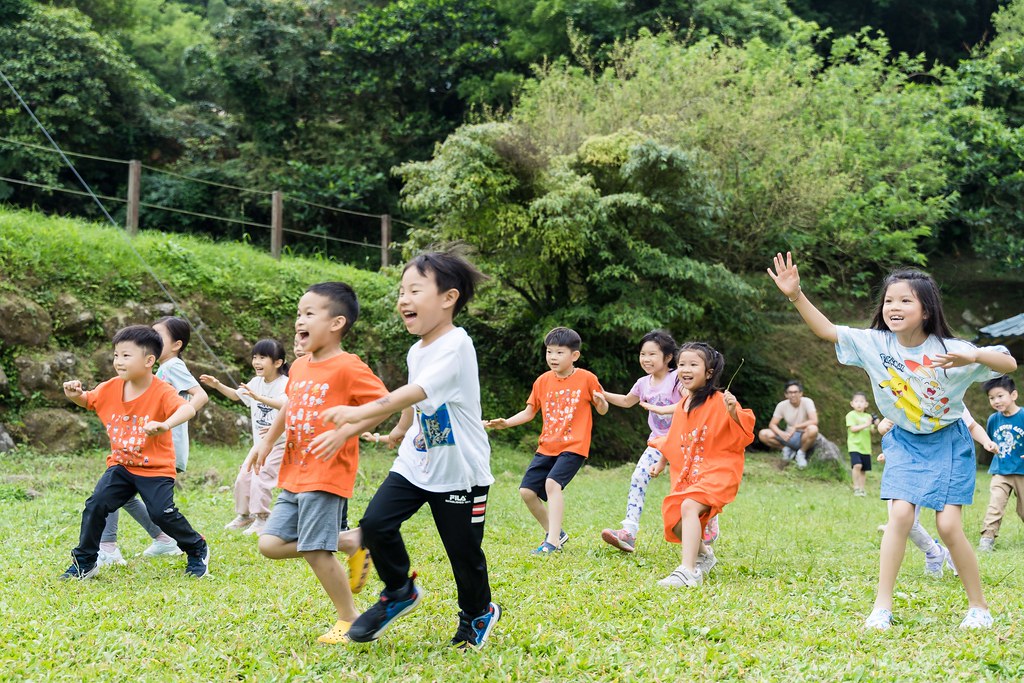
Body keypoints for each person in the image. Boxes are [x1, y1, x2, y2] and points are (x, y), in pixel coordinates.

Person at [768, 252, 1016, 630]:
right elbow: (828, 330)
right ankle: (881, 608)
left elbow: (1008, 363)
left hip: (949, 441)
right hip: (903, 440)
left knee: (949, 527)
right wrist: (795, 295)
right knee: (899, 516)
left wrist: (974, 354)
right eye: (889, 300)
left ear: (926, 310)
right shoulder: (876, 343)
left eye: (905, 301)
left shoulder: (950, 349)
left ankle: (979, 607)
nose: (894, 307)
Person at [314, 250, 501, 650]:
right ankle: (399, 590)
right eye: (402, 291)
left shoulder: (457, 345)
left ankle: (478, 612)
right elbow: (418, 402)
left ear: (448, 298)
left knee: (463, 553)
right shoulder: (417, 351)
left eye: (415, 290)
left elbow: (415, 391)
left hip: (460, 471)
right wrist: (397, 431)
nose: (403, 299)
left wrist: (359, 411)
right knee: (376, 524)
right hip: (418, 461)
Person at [247, 282, 388, 645]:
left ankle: (349, 618)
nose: (299, 320)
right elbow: (291, 405)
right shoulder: (299, 366)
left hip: (327, 470)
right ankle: (350, 540)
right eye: (299, 313)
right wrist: (267, 441)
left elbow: (385, 403)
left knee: (314, 550)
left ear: (337, 323)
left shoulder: (348, 366)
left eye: (309, 313)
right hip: (295, 470)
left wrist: (348, 432)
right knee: (269, 544)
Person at [59, 325, 210, 580]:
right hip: (122, 465)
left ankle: (196, 547)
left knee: (161, 513)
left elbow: (187, 408)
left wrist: (166, 424)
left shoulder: (162, 390)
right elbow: (88, 400)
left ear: (149, 360)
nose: (119, 361)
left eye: (126, 356)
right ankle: (85, 562)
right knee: (96, 505)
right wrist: (74, 395)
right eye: (116, 355)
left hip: (155, 467)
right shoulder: (110, 387)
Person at [96, 316, 209, 564]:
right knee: (117, 493)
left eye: (158, 336)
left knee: (125, 496)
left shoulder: (172, 366)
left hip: (160, 447)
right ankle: (161, 539)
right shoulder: (159, 370)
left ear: (176, 345)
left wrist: (169, 422)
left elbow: (200, 395)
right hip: (145, 445)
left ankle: (110, 546)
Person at [487, 326, 610, 554]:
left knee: (552, 484)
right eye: (549, 352)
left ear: (574, 355)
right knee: (526, 491)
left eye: (559, 352)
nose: (553, 357)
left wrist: (602, 403)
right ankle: (556, 533)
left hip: (574, 446)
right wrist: (506, 423)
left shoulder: (587, 378)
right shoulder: (542, 381)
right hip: (547, 446)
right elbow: (529, 412)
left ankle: (552, 543)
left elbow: (602, 409)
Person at [652, 342, 755, 588]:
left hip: (719, 471)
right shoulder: (683, 405)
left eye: (693, 364)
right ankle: (704, 556)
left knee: (688, 506)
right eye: (681, 364)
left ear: (709, 372)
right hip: (693, 473)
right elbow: (675, 439)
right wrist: (661, 461)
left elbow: (743, 433)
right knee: (675, 519)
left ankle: (688, 571)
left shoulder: (720, 401)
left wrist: (733, 412)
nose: (685, 369)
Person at [876, 409, 997, 577]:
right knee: (901, 520)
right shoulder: (906, 398)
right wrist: (883, 428)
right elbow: (887, 424)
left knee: (947, 524)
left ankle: (951, 555)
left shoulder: (951, 400)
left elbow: (972, 426)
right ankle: (934, 552)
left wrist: (986, 441)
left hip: (941, 463)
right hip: (907, 464)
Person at [597, 330, 682, 553]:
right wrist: (602, 394)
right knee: (638, 478)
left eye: (652, 354)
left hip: (684, 441)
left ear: (668, 357)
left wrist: (660, 409)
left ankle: (708, 525)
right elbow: (627, 401)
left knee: (690, 486)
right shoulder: (643, 383)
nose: (646, 359)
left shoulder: (677, 378)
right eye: (643, 354)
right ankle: (628, 532)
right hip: (657, 442)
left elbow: (690, 403)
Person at [201, 339, 289, 536]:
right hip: (259, 443)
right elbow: (235, 395)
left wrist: (259, 398)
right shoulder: (256, 382)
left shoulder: (285, 384)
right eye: (254, 357)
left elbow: (285, 405)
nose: (256, 362)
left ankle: (262, 518)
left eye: (263, 357)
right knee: (244, 477)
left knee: (261, 477)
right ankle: (244, 515)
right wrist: (217, 385)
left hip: (279, 442)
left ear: (278, 362)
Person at [979, 375, 1024, 552]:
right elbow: (991, 439)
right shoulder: (993, 419)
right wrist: (991, 446)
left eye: (1000, 396)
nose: (996, 401)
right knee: (995, 505)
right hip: (1001, 470)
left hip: (1022, 471)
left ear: (1013, 395)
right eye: (991, 398)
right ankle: (987, 538)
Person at [758, 380, 818, 468]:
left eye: (795, 392)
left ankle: (801, 453)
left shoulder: (807, 402)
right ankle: (786, 450)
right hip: (788, 435)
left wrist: (796, 427)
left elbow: (814, 420)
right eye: (790, 392)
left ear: (801, 393)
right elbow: (772, 424)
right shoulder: (782, 405)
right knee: (763, 434)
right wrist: (781, 433)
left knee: (813, 429)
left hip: (803, 435)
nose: (793, 395)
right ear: (786, 394)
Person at [846, 392, 878, 496]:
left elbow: (873, 431)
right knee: (857, 465)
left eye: (861, 401)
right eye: (856, 401)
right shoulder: (851, 415)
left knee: (864, 469)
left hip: (866, 448)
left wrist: (876, 424)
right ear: (852, 404)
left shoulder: (868, 416)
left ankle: (862, 489)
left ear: (866, 404)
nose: (859, 404)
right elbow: (853, 428)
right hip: (854, 446)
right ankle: (856, 487)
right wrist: (866, 424)